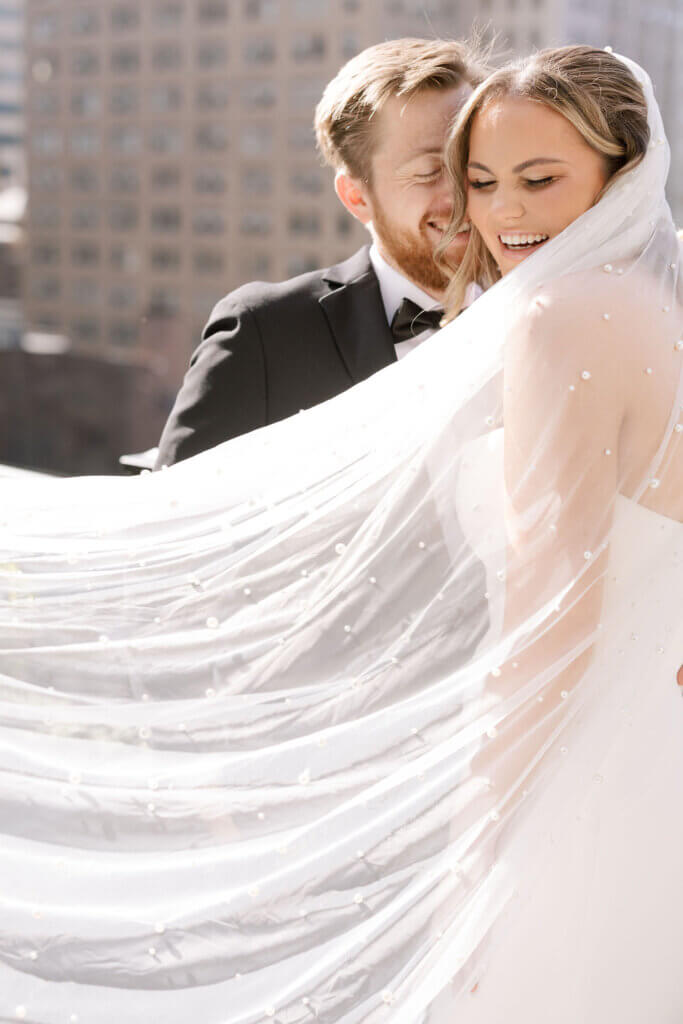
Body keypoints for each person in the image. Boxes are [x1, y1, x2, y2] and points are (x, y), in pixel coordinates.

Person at [0, 46, 681, 1024]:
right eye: (463, 177)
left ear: (622, 171)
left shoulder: (558, 321)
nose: (487, 210)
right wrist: (216, 786)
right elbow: (185, 551)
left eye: (535, 178)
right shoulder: (644, 302)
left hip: (551, 774)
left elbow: (551, 616)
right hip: (338, 799)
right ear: (356, 196)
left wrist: (480, 836)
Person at [153, 37, 486, 469]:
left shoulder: (550, 304)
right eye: (427, 172)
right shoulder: (263, 335)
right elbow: (175, 521)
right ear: (356, 197)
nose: (461, 193)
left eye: (472, 160)